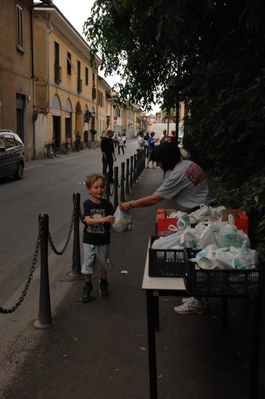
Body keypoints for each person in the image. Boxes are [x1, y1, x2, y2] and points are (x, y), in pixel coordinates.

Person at [119, 141, 216, 315]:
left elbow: (154, 199)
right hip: (206, 212)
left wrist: (130, 204)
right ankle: (199, 296)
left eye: (159, 161)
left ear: (167, 159)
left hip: (199, 217)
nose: (157, 164)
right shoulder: (189, 164)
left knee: (194, 257)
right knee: (199, 256)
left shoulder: (178, 174)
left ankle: (197, 302)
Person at [81, 173, 115, 302]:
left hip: (103, 239)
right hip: (89, 240)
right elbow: (88, 221)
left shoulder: (107, 204)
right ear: (89, 190)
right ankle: (88, 285)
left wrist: (119, 216)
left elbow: (114, 217)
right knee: (88, 263)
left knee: (103, 262)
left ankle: (104, 282)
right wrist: (105, 219)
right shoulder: (87, 204)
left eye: (101, 187)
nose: (99, 190)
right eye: (96, 187)